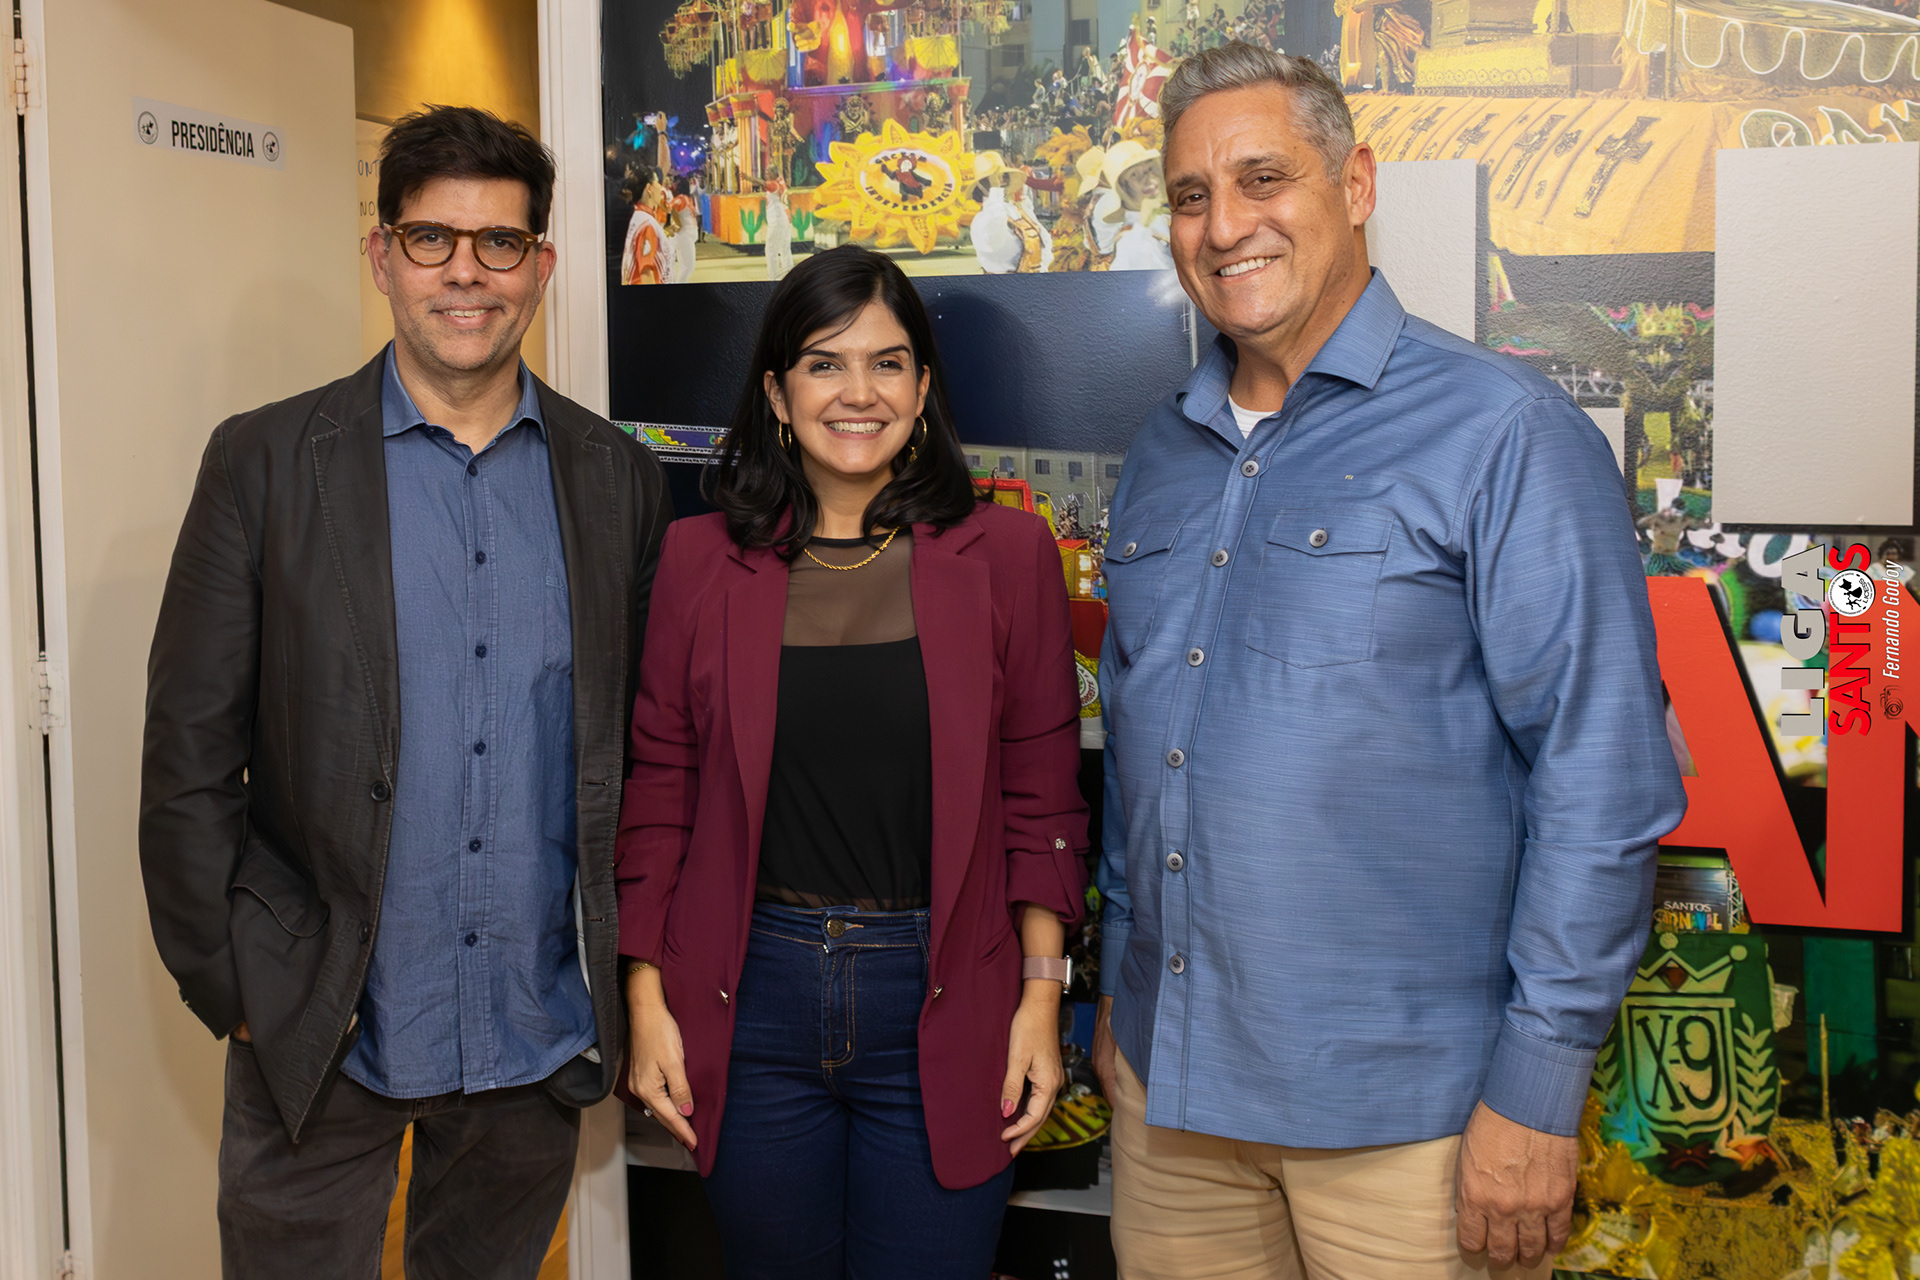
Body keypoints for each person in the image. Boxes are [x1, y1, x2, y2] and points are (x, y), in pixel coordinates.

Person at [1090, 44, 1686, 1279]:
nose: (1225, 225)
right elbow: (1147, 745)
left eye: (1263, 178)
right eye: (1193, 195)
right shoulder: (1161, 450)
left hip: (1415, 1125)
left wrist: (1538, 1086)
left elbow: (1604, 778)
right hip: (1171, 1100)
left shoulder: (1505, 432)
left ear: (1356, 184)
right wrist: (1120, 998)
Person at [139, 105, 671, 1279]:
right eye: (432, 238)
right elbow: (186, 753)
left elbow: (640, 753)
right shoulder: (265, 463)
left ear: (540, 265)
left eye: (499, 242)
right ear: (381, 255)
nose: (465, 272)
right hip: (320, 1022)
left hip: (533, 1024)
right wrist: (232, 981)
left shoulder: (616, 479)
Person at [617, 245, 1088, 1280]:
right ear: (777, 394)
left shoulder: (1009, 557)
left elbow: (1041, 796)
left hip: (946, 992)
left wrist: (1041, 997)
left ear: (922, 390)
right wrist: (644, 1000)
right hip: (749, 996)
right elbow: (660, 793)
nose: (858, 392)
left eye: (888, 363)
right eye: (825, 364)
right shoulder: (699, 560)